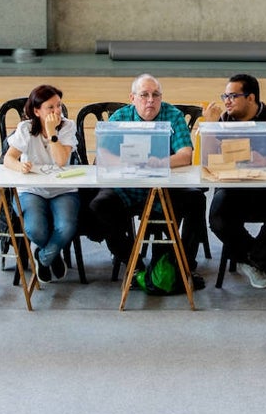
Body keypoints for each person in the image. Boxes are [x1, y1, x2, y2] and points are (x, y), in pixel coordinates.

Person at [88, 74, 207, 286]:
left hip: (165, 187)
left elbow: (185, 154)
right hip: (128, 188)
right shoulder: (120, 118)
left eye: (155, 95)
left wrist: (160, 162)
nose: (150, 100)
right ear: (132, 98)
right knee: (99, 206)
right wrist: (131, 163)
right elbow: (102, 156)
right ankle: (133, 262)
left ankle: (184, 264)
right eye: (144, 95)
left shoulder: (173, 115)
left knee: (197, 200)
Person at [204, 74, 266, 289]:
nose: (227, 101)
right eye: (225, 96)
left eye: (233, 96)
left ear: (251, 98)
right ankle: (264, 259)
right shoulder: (224, 121)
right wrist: (211, 126)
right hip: (236, 189)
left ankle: (254, 261)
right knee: (217, 217)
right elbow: (207, 160)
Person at [3, 84, 81, 284]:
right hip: (32, 189)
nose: (57, 111)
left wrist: (52, 131)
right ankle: (53, 254)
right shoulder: (25, 129)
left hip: (62, 189)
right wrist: (19, 167)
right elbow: (8, 158)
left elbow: (61, 160)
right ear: (36, 111)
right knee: (35, 229)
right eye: (51, 107)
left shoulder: (68, 126)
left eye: (59, 106)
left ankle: (44, 257)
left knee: (66, 226)